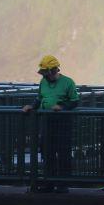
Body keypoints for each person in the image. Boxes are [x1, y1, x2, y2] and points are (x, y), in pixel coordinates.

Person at [21, 56, 78, 189]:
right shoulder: (43, 82)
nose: (45, 76)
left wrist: (62, 107)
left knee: (63, 153)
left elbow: (75, 101)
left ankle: (63, 185)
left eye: (46, 73)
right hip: (47, 122)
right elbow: (39, 98)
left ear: (53, 70)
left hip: (62, 123)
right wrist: (32, 107)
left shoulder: (68, 82)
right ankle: (49, 183)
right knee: (47, 152)